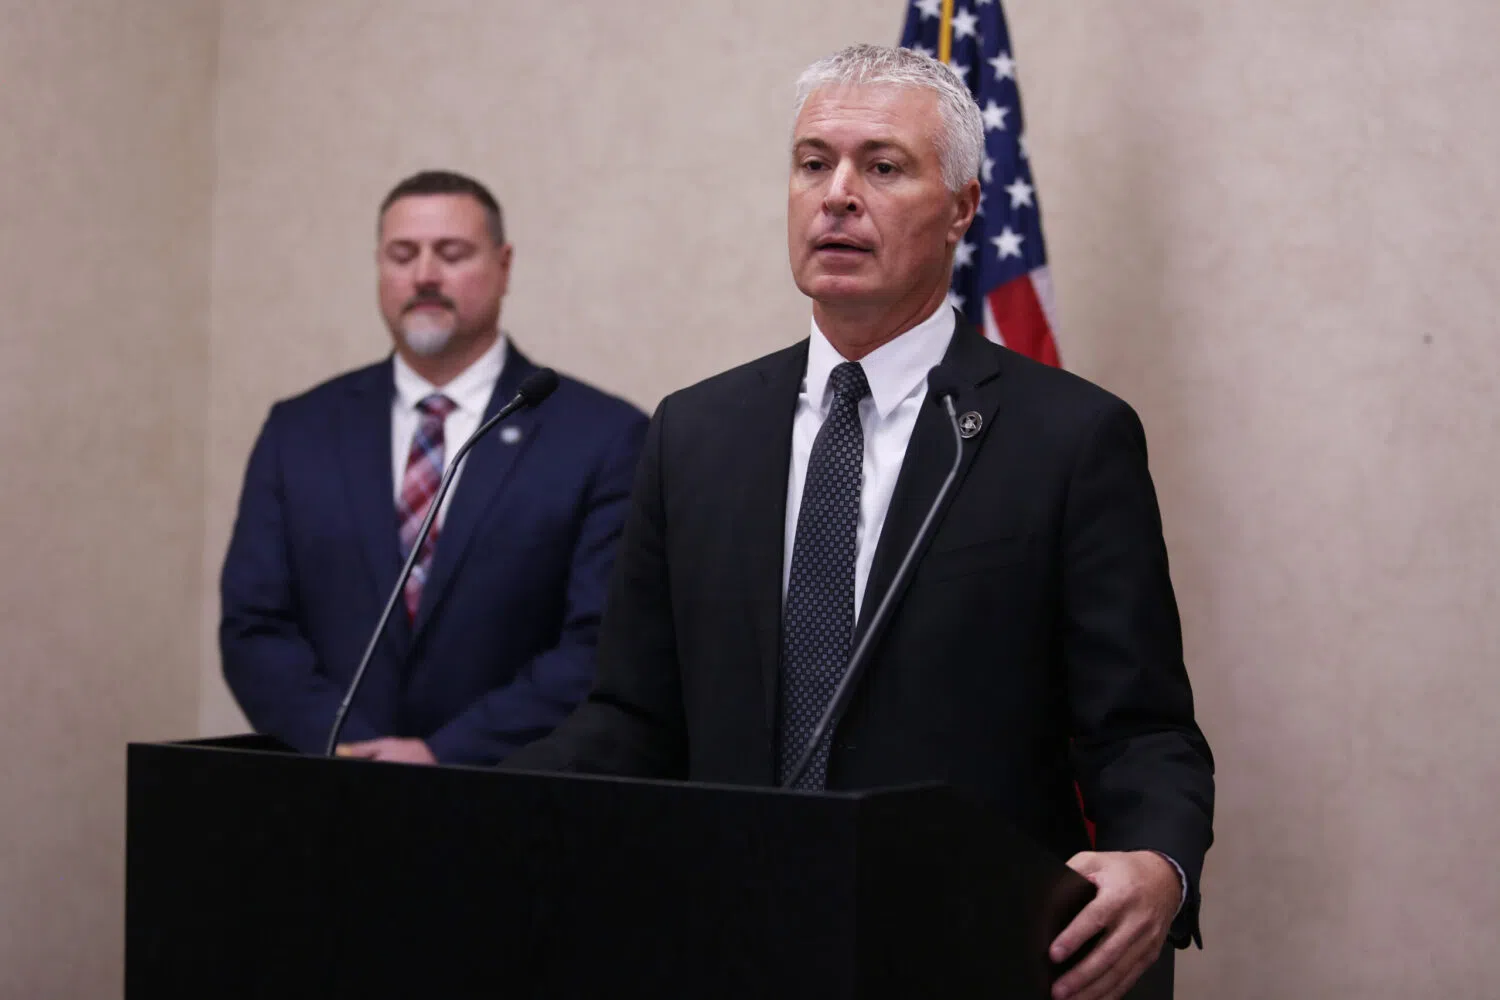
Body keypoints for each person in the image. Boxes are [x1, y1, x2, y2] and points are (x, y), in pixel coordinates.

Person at [506, 46, 1213, 1000]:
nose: (837, 195)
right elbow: (634, 716)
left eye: (882, 166)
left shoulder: (1069, 438)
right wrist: (478, 808)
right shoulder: (695, 433)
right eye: (813, 163)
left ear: (962, 207)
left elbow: (1140, 728)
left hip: (967, 947)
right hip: (735, 942)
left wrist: (1159, 867)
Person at [220, 169, 647, 767]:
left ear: (504, 266)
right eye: (402, 255)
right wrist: (347, 749)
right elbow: (254, 628)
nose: (424, 275)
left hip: (514, 793)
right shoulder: (299, 431)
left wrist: (444, 755)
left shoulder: (602, 437)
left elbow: (598, 646)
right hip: (332, 792)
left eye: (451, 253)